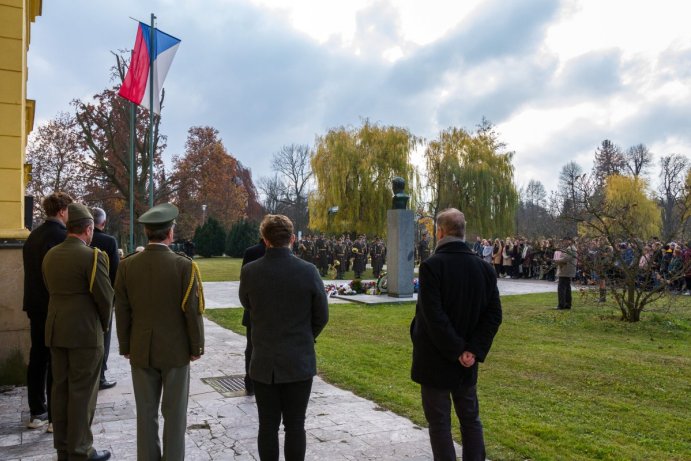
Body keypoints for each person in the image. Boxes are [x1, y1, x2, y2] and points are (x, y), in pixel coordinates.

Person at [410, 208, 502, 461]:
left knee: (440, 423)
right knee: (470, 419)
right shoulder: (484, 269)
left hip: (437, 357)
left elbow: (433, 316)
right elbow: (493, 316)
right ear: (463, 232)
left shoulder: (432, 266)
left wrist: (459, 349)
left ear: (439, 232)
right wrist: (472, 349)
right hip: (467, 360)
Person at [115, 203, 205, 461]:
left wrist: (125, 345)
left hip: (141, 347)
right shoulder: (183, 265)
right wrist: (196, 346)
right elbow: (192, 311)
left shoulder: (127, 265)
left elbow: (122, 310)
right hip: (175, 349)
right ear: (170, 233)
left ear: (146, 233)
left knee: (146, 414)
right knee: (175, 414)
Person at [239, 214, 329, 461]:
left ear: (265, 240)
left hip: (264, 359)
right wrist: (305, 336)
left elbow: (246, 303)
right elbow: (321, 315)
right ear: (291, 239)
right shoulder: (308, 271)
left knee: (267, 426)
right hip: (298, 360)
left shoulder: (250, 271)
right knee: (295, 425)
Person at [42, 203, 113, 461]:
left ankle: (63, 447)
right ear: (89, 228)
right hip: (84, 333)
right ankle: (81, 450)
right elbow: (105, 299)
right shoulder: (92, 256)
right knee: (83, 393)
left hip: (56, 330)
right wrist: (102, 326)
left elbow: (49, 288)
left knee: (60, 391)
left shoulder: (50, 255)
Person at [22, 191, 73, 431]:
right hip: (54, 306)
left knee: (37, 358)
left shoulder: (33, 236)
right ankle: (54, 416)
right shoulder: (62, 236)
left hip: (34, 305)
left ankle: (36, 412)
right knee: (56, 360)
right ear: (62, 211)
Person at [90, 207, 119, 390]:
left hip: (83, 297)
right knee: (104, 336)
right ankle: (100, 375)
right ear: (103, 223)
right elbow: (115, 272)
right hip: (104, 296)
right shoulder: (109, 241)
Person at [241, 238, 267, 395]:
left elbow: (243, 283)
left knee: (251, 347)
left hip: (253, 308)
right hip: (269, 309)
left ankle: (250, 381)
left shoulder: (251, 252)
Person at [554, 236, 577, 310]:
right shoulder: (570, 248)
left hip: (566, 270)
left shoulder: (571, 249)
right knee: (567, 288)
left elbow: (566, 258)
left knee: (561, 288)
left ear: (569, 241)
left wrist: (557, 260)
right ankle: (567, 304)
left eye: (564, 241)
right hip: (566, 270)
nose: (563, 242)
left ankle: (561, 305)